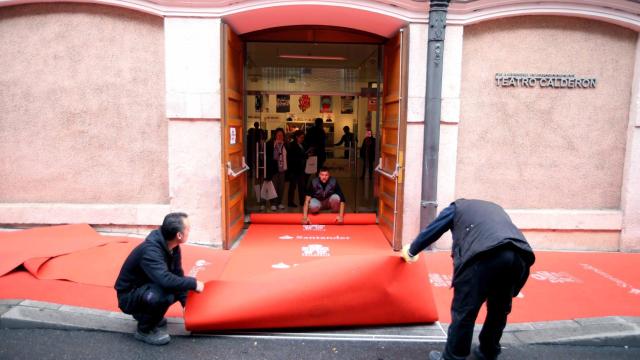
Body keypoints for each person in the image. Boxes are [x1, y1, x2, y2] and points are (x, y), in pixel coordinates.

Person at [401, 199, 535, 360]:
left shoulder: (456, 208)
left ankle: (453, 357)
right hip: (519, 255)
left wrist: (411, 251)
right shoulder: (494, 208)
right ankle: (488, 352)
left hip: (483, 255)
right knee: (499, 309)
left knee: (464, 310)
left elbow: (433, 230)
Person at [115, 212, 205, 345]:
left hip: (146, 287)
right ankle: (144, 330)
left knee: (176, 285)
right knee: (165, 294)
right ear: (179, 235)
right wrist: (194, 283)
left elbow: (177, 275)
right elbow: (165, 279)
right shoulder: (151, 251)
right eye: (188, 229)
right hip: (129, 296)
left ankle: (148, 316)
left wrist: (186, 304)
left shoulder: (173, 247)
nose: (189, 231)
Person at [266, 128, 288, 211]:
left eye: (282, 135)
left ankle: (279, 202)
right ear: (275, 135)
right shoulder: (270, 144)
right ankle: (273, 203)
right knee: (274, 187)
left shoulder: (286, 144)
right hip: (274, 169)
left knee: (281, 187)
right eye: (278, 135)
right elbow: (268, 157)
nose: (280, 136)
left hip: (283, 169)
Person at [286, 130, 307, 208]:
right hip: (294, 169)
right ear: (296, 137)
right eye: (301, 137)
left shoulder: (302, 145)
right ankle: (290, 202)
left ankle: (302, 201)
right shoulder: (292, 145)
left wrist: (306, 156)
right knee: (293, 187)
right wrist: (303, 157)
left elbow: (303, 155)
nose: (302, 139)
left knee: (301, 186)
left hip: (300, 169)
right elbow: (291, 158)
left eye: (303, 138)